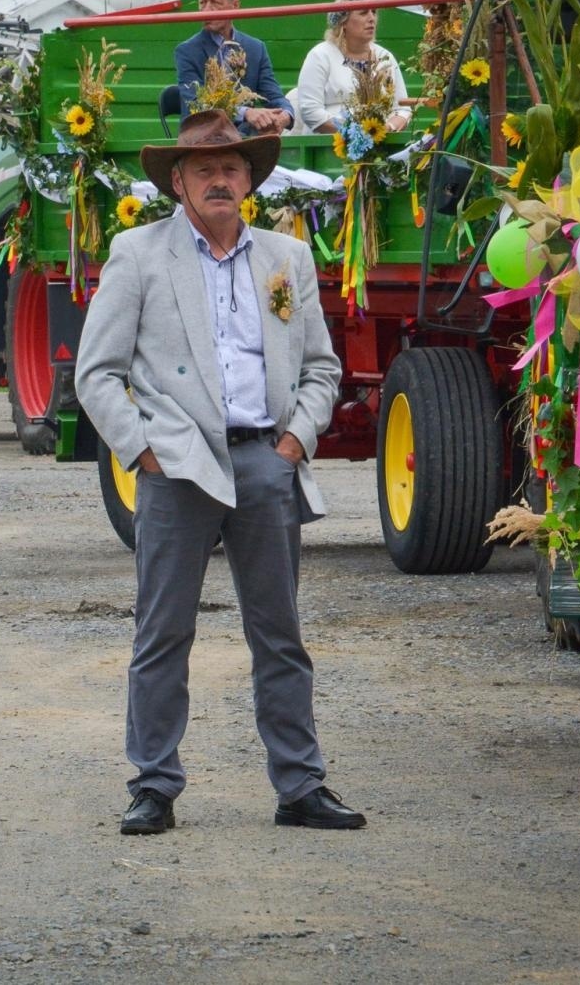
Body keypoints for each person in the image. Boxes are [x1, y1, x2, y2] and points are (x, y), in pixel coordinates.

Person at [75, 110, 356, 836]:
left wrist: (295, 440)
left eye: (233, 169)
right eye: (206, 171)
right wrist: (142, 450)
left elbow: (323, 365)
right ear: (178, 182)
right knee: (163, 632)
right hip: (178, 467)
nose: (221, 181)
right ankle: (154, 785)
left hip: (268, 460)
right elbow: (96, 373)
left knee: (281, 634)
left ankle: (300, 787)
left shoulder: (285, 260)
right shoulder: (138, 254)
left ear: (251, 180)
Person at [174, 0, 295, 136]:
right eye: (202, 3)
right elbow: (197, 106)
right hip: (204, 142)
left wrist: (285, 115)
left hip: (247, 141)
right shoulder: (187, 51)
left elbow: (274, 95)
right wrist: (245, 113)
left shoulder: (256, 48)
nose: (206, 10)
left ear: (235, 5)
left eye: (215, 3)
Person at [294, 0, 413, 135]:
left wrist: (386, 129)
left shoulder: (385, 57)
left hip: (382, 143)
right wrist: (355, 133)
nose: (372, 19)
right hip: (327, 148)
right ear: (343, 22)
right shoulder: (320, 55)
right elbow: (310, 111)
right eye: (363, 13)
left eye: (374, 12)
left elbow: (402, 108)